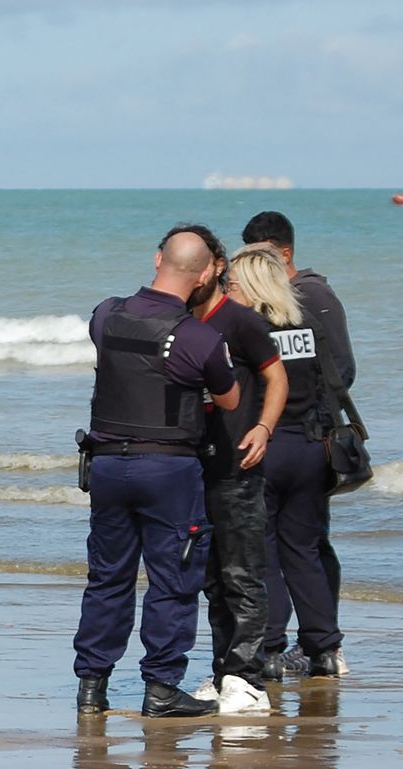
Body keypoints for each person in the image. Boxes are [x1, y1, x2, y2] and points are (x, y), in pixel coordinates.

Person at [73, 230, 238, 718]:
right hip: (168, 466)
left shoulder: (106, 314)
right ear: (207, 273)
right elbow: (229, 400)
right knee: (174, 578)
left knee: (107, 577)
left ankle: (91, 686)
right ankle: (162, 688)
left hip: (106, 464)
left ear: (157, 259)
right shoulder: (199, 337)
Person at [176, 225, 288, 715]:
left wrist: (264, 428)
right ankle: (225, 672)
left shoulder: (241, 321)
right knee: (210, 578)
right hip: (189, 466)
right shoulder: (175, 319)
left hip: (238, 464)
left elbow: (276, 377)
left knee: (243, 573)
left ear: (217, 268)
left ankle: (248, 676)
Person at [240, 211, 354, 677]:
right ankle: (324, 649)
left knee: (263, 551)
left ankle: (268, 649)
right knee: (304, 549)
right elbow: (338, 375)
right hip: (311, 446)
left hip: (267, 446)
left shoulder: (251, 329)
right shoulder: (305, 324)